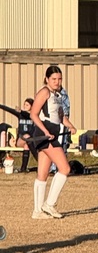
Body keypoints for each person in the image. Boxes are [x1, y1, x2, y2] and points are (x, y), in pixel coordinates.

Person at [29, 65, 76, 220]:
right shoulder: (44, 92)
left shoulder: (58, 95)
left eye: (59, 79)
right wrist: (46, 131)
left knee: (42, 174)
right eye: (54, 79)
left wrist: (71, 126)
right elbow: (34, 114)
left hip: (52, 133)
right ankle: (49, 204)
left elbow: (60, 116)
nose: (57, 82)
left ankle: (37, 211)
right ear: (47, 79)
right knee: (65, 168)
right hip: (45, 134)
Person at [0, 98, 36, 171]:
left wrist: (21, 111)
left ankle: (23, 168)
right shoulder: (20, 115)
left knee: (27, 144)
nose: (25, 106)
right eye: (24, 104)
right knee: (26, 136)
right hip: (20, 140)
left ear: (32, 107)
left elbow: (27, 115)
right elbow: (9, 109)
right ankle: (37, 157)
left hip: (29, 142)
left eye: (27, 105)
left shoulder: (33, 116)